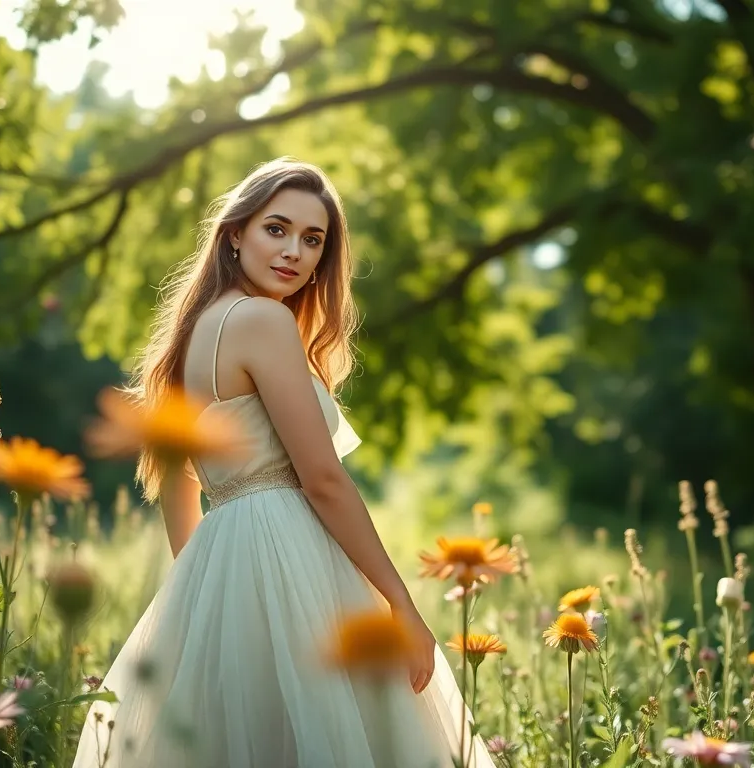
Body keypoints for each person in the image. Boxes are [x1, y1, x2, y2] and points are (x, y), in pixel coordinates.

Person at [73, 158, 494, 768]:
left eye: (312, 239)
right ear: (236, 232)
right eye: (277, 228)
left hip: (226, 555)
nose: (294, 251)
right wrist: (403, 607)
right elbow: (323, 482)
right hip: (289, 551)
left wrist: (203, 599)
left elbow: (177, 488)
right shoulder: (263, 321)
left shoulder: (193, 336)